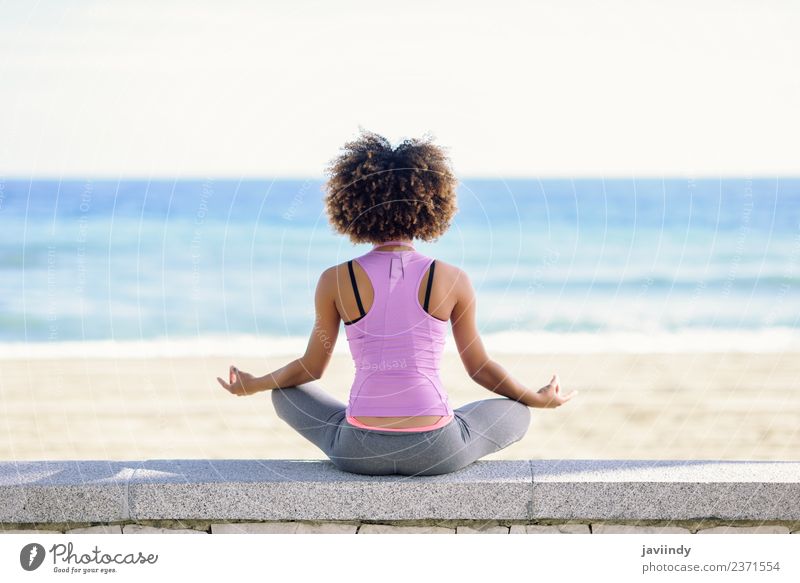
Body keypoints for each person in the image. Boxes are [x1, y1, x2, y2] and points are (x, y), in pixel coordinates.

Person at [216, 129, 577, 476]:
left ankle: (352, 423)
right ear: (431, 202)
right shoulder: (452, 279)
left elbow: (311, 368)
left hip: (357, 450)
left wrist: (257, 383)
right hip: (437, 450)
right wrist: (536, 397)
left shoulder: (334, 280)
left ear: (352, 204)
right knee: (518, 412)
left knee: (285, 395)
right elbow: (480, 368)